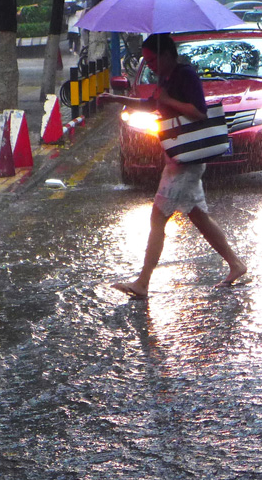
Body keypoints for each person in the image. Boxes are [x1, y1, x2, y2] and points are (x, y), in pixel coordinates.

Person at [100, 33, 247, 300]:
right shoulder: (166, 78)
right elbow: (152, 105)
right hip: (178, 156)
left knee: (158, 217)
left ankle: (143, 282)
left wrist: (168, 100)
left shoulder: (185, 74)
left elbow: (199, 112)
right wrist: (115, 99)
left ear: (168, 54)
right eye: (147, 60)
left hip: (186, 159)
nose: (151, 65)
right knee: (198, 216)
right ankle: (235, 264)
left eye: (154, 59)